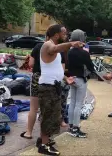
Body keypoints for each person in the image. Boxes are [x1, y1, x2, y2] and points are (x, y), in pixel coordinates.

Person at [37, 24, 83, 155]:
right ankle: (44, 146)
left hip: (54, 86)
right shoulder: (48, 45)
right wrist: (71, 44)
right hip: (47, 88)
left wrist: (65, 78)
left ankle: (43, 140)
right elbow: (55, 48)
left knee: (53, 116)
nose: (66, 35)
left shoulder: (56, 50)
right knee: (48, 117)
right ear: (56, 35)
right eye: (64, 33)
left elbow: (54, 69)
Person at [67, 29, 95, 138]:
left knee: (72, 102)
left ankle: (70, 125)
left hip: (71, 78)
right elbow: (91, 67)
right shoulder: (84, 53)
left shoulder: (69, 51)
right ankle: (76, 127)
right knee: (79, 103)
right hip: (80, 78)